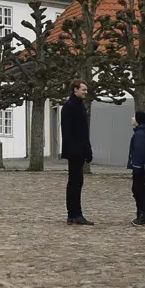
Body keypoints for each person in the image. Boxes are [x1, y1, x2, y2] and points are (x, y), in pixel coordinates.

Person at [61, 82, 94, 225]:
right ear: (75, 89)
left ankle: (74, 213)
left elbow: (84, 132)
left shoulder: (80, 106)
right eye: (83, 89)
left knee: (77, 182)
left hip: (80, 149)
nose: (86, 92)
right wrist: (73, 150)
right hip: (75, 150)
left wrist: (87, 148)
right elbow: (67, 131)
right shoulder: (69, 107)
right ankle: (74, 213)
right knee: (75, 182)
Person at [127, 110, 145, 225]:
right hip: (142, 166)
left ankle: (143, 214)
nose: (132, 118)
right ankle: (141, 213)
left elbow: (139, 150)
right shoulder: (143, 132)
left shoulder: (140, 134)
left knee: (138, 189)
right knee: (138, 188)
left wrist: (136, 165)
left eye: (134, 117)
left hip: (140, 166)